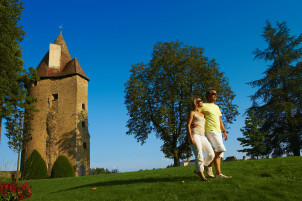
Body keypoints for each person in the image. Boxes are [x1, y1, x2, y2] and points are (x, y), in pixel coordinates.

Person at [200, 87, 231, 178]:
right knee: (220, 148)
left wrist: (224, 131)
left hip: (218, 131)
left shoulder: (217, 107)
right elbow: (195, 113)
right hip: (210, 130)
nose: (216, 95)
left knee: (219, 154)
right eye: (213, 94)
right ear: (208, 95)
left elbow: (220, 120)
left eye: (216, 94)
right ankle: (207, 164)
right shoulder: (203, 105)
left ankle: (218, 174)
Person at [187, 97, 215, 182]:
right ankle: (202, 177)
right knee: (199, 155)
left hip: (202, 136)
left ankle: (199, 169)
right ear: (196, 103)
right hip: (195, 135)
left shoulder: (202, 114)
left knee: (211, 154)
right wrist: (191, 137)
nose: (202, 101)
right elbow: (188, 125)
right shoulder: (192, 113)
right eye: (200, 101)